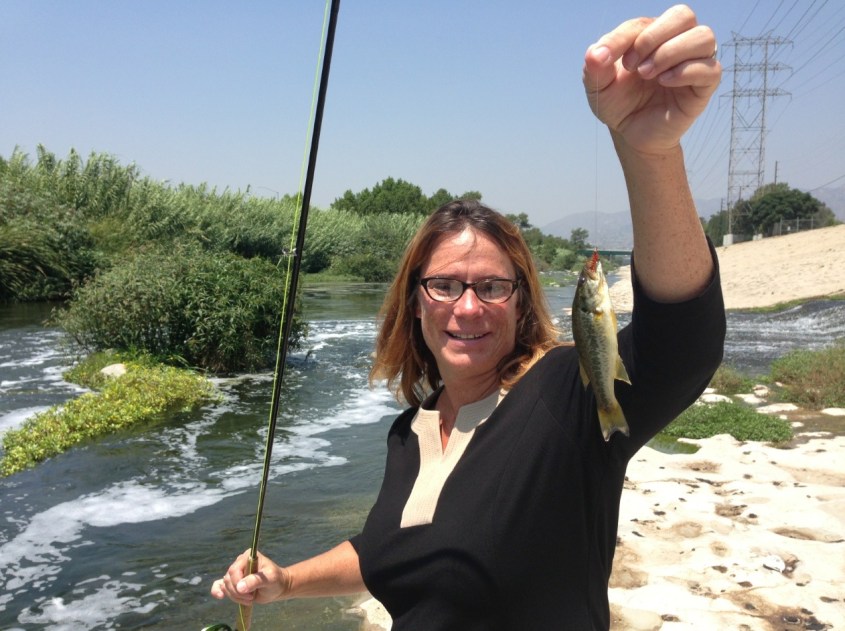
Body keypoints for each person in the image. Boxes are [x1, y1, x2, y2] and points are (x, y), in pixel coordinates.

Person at [211, 5, 726, 629]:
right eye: (446, 285)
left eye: (492, 286)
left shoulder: (564, 398)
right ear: (414, 302)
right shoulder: (410, 431)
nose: (469, 306)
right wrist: (287, 582)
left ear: (522, 300)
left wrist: (650, 152)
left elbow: (681, 342)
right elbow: (387, 551)